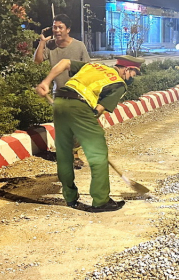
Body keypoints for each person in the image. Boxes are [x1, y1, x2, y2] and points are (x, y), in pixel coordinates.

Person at [35, 55, 143, 212]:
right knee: (98, 152)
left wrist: (45, 82)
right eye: (134, 74)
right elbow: (98, 110)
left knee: (65, 151)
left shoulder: (93, 66)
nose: (132, 78)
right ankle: (101, 200)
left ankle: (70, 198)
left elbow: (65, 62)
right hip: (80, 107)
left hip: (60, 102)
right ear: (127, 69)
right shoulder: (119, 84)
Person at [34, 13, 90, 167]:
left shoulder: (79, 46)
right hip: (58, 92)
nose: (57, 30)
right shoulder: (50, 45)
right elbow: (38, 60)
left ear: (68, 29)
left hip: (77, 93)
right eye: (54, 27)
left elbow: (87, 69)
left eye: (60, 27)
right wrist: (42, 42)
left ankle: (75, 153)